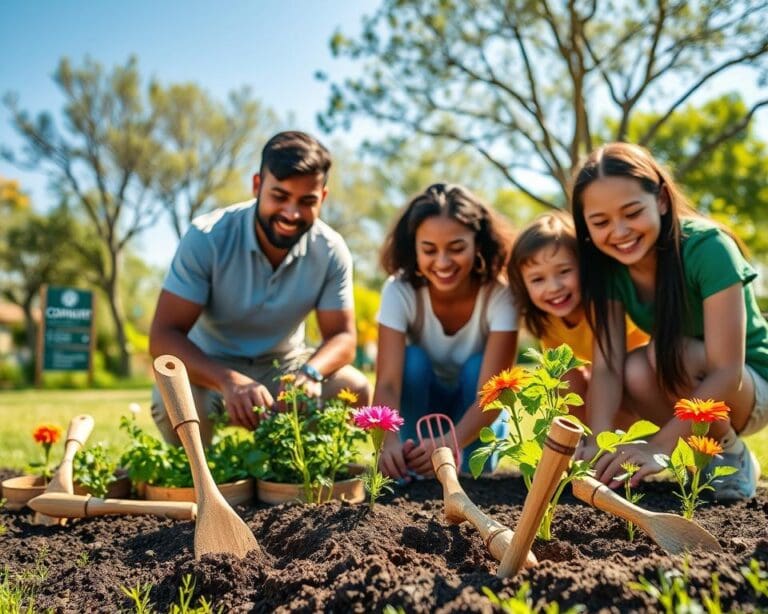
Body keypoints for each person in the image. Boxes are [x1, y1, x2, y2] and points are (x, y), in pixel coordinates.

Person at [570, 141, 768, 501]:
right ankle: (700, 451)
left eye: (632, 212)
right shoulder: (608, 270)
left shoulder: (708, 247)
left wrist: (660, 445)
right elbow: (607, 366)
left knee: (666, 354)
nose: (619, 231)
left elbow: (728, 371)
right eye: (600, 222)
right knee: (634, 368)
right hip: (687, 377)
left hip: (750, 386)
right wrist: (599, 440)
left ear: (661, 199)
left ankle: (728, 449)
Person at [149, 131, 371, 445]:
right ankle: (200, 472)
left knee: (355, 388)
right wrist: (228, 381)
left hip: (286, 368)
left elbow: (343, 338)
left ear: (322, 197)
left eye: (307, 201)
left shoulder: (331, 249)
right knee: (171, 402)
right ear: (257, 185)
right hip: (210, 364)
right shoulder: (206, 237)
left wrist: (310, 373)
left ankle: (293, 469)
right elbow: (163, 337)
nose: (291, 213)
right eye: (279, 196)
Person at [374, 183, 518, 478]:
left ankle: (470, 462)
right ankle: (414, 460)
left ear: (478, 244)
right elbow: (387, 383)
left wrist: (451, 442)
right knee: (412, 362)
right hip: (423, 412)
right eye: (429, 250)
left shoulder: (501, 294)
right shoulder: (399, 290)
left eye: (456, 248)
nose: (442, 262)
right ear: (414, 248)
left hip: (476, 416)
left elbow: (494, 395)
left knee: (479, 368)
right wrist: (387, 442)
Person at [507, 210, 649, 424]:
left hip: (637, 373)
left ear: (585, 268)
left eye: (564, 271)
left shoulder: (604, 306)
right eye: (537, 280)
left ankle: (643, 438)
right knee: (563, 382)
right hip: (603, 376)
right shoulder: (547, 321)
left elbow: (616, 369)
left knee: (619, 384)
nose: (553, 287)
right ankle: (586, 438)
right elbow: (566, 378)